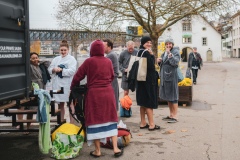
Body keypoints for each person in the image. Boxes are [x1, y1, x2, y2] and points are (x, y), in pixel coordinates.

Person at [70, 40, 123, 158]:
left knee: (95, 120)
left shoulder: (88, 62)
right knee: (111, 118)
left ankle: (97, 151)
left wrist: (72, 87)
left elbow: (78, 76)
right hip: (108, 93)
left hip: (94, 94)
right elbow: (112, 75)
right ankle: (115, 148)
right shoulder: (108, 61)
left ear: (92, 50)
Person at [17, 52, 51, 134]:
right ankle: (24, 126)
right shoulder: (30, 67)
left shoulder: (40, 66)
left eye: (36, 57)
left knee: (37, 108)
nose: (35, 59)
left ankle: (35, 128)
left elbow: (48, 62)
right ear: (29, 59)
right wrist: (30, 61)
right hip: (32, 88)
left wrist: (39, 60)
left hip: (41, 87)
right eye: (33, 58)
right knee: (27, 108)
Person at [48, 40, 77, 122]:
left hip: (68, 84)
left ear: (68, 50)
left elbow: (72, 71)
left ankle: (72, 122)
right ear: (59, 50)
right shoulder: (56, 59)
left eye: (65, 50)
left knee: (70, 104)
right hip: (58, 85)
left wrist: (61, 70)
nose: (63, 52)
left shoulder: (72, 59)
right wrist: (54, 69)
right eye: (61, 50)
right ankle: (61, 121)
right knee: (60, 104)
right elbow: (49, 69)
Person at [136, 36, 160, 131]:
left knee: (142, 102)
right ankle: (151, 124)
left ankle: (143, 123)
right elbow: (151, 66)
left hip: (140, 80)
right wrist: (152, 55)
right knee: (149, 102)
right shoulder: (146, 52)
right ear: (143, 43)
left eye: (150, 42)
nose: (149, 44)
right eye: (147, 42)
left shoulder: (139, 52)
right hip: (148, 81)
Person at [158, 38, 180, 123]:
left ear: (172, 44)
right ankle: (171, 114)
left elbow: (175, 63)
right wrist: (159, 61)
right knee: (168, 97)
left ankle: (175, 116)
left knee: (173, 97)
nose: (168, 45)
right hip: (165, 77)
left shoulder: (175, 52)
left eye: (170, 44)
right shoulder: (165, 52)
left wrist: (169, 54)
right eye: (167, 44)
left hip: (171, 77)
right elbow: (164, 62)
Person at [103, 39, 119, 111]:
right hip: (113, 80)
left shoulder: (110, 55)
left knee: (112, 101)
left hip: (111, 81)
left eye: (104, 46)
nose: (102, 48)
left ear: (109, 47)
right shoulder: (111, 54)